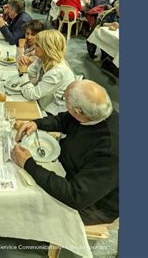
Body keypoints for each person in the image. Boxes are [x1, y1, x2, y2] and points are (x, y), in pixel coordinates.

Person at [12, 79, 118, 225]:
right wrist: (36, 123)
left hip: (93, 205)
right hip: (70, 171)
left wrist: (28, 164)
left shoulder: (110, 152)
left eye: (64, 99)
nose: (63, 101)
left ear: (78, 111)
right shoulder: (94, 113)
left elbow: (76, 196)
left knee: (25, 199)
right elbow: (65, 119)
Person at [19, 29, 75, 115]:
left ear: (47, 48)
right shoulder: (43, 59)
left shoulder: (57, 72)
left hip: (50, 113)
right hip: (40, 102)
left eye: (37, 45)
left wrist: (23, 72)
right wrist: (25, 68)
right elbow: (31, 74)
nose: (34, 48)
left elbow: (31, 94)